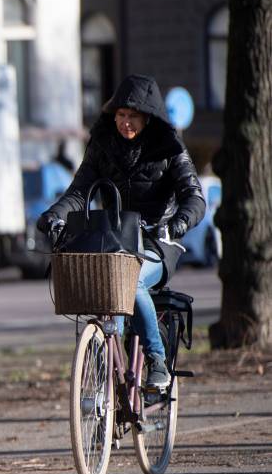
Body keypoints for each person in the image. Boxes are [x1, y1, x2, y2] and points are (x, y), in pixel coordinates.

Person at [37, 74, 205, 389]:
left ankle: (156, 361)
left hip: (157, 242)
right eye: (121, 116)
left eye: (133, 117)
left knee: (133, 281)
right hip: (114, 239)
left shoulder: (169, 148)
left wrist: (178, 223)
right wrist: (53, 216)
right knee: (99, 287)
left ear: (148, 119)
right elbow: (78, 192)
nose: (125, 123)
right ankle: (103, 359)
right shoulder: (102, 144)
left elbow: (194, 197)